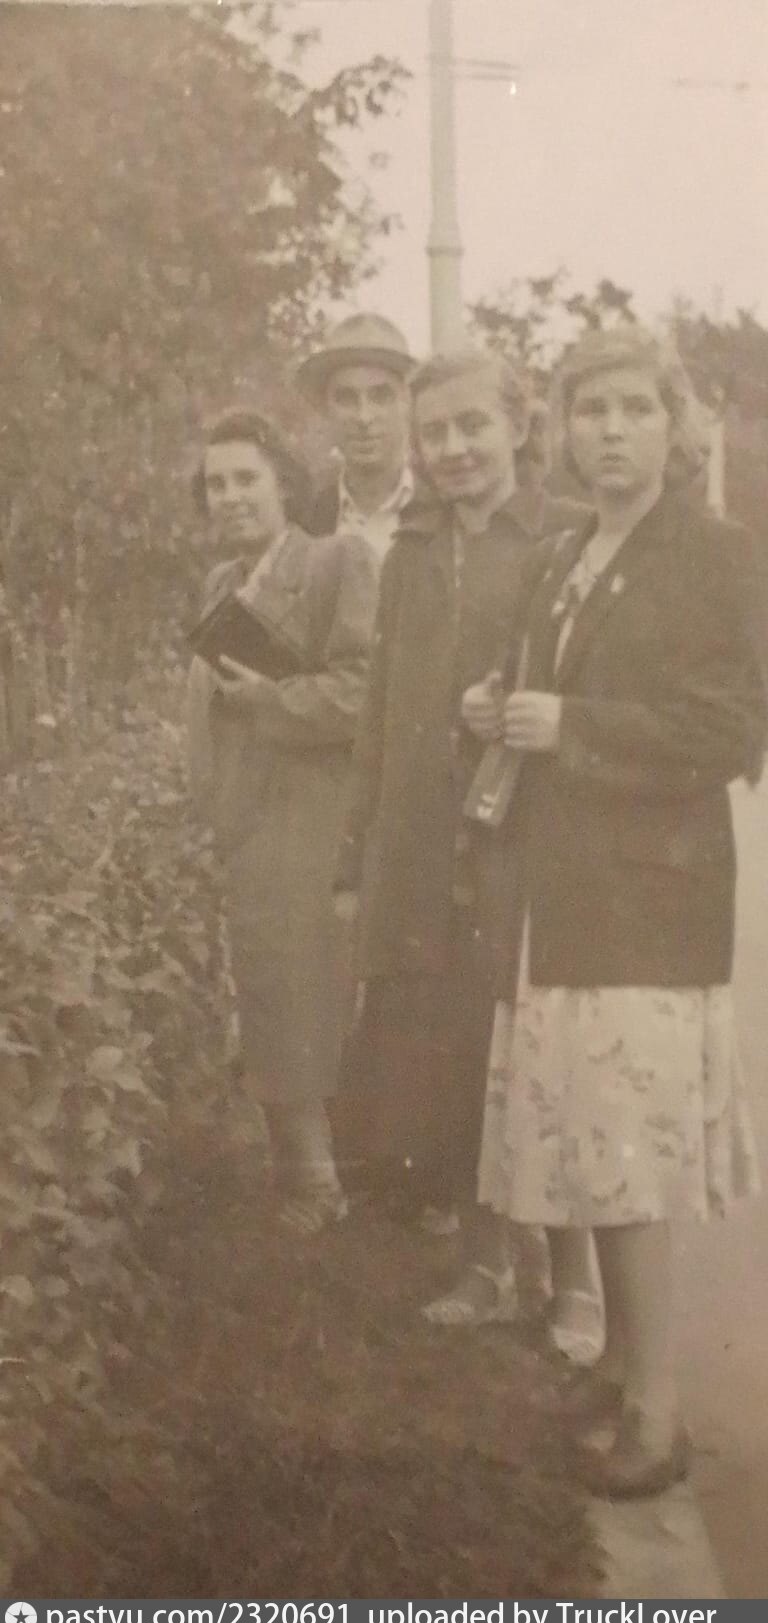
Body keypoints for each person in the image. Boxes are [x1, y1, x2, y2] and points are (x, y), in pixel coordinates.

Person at [464, 327, 766, 1499]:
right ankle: (619, 1366)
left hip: (647, 904)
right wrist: (500, 703)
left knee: (625, 1153)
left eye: (635, 409)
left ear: (674, 427)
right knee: (587, 1133)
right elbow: (550, 688)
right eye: (589, 411)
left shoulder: (709, 553)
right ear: (561, 428)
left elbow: (728, 731)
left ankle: (658, 1409)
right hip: (558, 893)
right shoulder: (565, 552)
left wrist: (570, 728)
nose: (610, 432)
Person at [336, 349, 598, 1352]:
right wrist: (358, 852)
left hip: (529, 833)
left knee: (543, 1050)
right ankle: (487, 1266)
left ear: (518, 428)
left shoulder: (566, 534)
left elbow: (585, 679)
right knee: (457, 1057)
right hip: (424, 842)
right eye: (435, 431)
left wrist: (515, 705)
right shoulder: (412, 549)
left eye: (472, 425)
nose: (453, 449)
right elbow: (379, 706)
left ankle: (574, 1279)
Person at [186, 410, 377, 1229]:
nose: (230, 497)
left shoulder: (336, 562)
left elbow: (364, 693)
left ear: (285, 486)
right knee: (266, 991)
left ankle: (322, 1187)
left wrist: (271, 702)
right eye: (216, 484)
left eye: (246, 479)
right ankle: (300, 1179)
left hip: (312, 816)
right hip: (242, 819)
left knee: (303, 995)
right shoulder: (219, 585)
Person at [297, 313, 416, 562]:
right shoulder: (305, 522)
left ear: (408, 402)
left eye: (380, 396)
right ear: (326, 408)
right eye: (346, 398)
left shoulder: (445, 506)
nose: (364, 417)